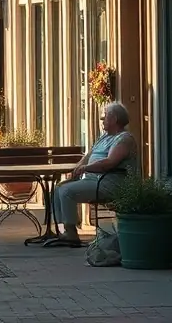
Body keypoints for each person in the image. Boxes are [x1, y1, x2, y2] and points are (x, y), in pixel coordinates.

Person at [52, 101, 138, 247]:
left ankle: (71, 234)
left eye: (105, 117)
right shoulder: (103, 137)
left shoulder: (124, 139)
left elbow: (110, 162)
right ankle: (63, 230)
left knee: (66, 192)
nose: (102, 120)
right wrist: (77, 169)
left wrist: (86, 168)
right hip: (92, 180)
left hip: (109, 182)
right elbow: (88, 156)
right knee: (58, 189)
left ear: (114, 119)